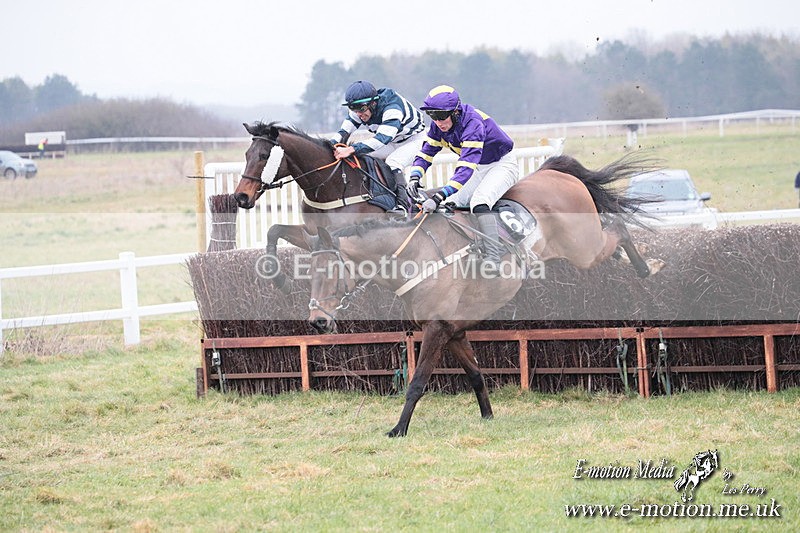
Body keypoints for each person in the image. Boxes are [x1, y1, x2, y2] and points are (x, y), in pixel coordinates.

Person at [406, 84, 519, 270]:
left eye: (441, 116)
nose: (438, 121)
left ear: (456, 112)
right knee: (451, 203)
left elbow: (465, 169)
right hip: (479, 166)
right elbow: (425, 154)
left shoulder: (473, 124)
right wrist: (414, 177)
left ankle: (494, 256)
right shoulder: (438, 127)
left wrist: (438, 195)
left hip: (501, 164)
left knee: (479, 202)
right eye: (432, 116)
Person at [330, 81, 426, 186]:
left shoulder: (392, 108)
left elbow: (381, 139)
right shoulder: (360, 110)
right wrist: (328, 146)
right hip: (392, 141)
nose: (358, 114)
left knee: (393, 162)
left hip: (415, 139)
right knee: (361, 156)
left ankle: (405, 199)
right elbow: (343, 132)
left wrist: (350, 149)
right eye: (353, 108)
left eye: (361, 109)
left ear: (373, 103)